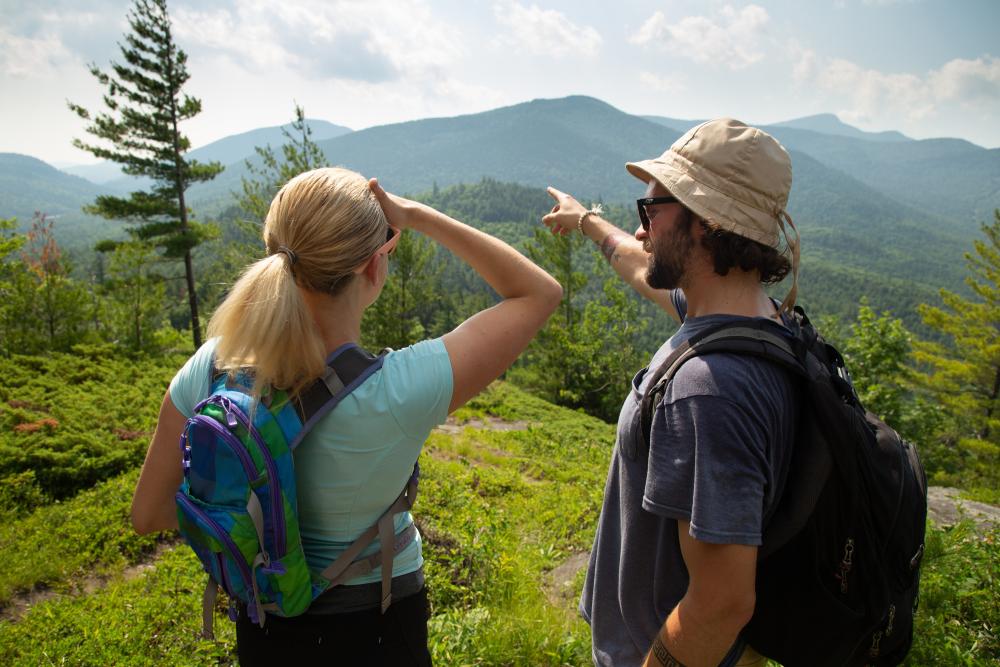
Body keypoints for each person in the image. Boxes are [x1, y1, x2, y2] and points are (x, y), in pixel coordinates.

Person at [130, 167, 562, 666]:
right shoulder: (400, 389)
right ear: (374, 267)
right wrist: (417, 216)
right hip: (376, 630)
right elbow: (538, 292)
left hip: (264, 626)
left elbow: (149, 515)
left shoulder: (213, 366)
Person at [542, 119, 801, 667]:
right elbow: (639, 265)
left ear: (706, 225)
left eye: (652, 210)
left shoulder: (708, 389)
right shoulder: (763, 322)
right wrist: (585, 221)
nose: (641, 230)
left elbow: (722, 601)